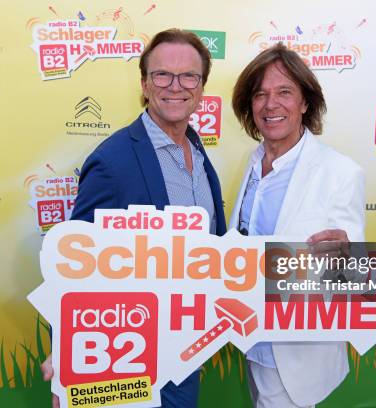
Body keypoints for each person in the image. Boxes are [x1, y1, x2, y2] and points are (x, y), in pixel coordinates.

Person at [41, 28, 226, 408]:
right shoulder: (114, 160)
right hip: (124, 357)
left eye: (189, 75)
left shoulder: (198, 153)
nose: (175, 86)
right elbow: (74, 263)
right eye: (162, 74)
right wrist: (67, 353)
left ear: (202, 88)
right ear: (144, 84)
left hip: (183, 354)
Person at [230, 43, 365, 408]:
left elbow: (353, 273)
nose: (270, 104)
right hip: (252, 338)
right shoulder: (253, 161)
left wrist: (347, 256)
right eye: (260, 95)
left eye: (284, 92)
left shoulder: (340, 173)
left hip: (297, 352)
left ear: (305, 103)